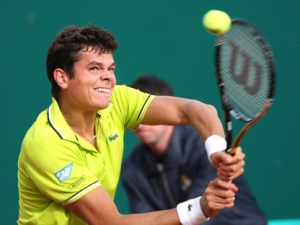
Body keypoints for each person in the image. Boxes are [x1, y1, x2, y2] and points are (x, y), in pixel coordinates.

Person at [17, 24, 245, 225]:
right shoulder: (46, 145)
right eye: (95, 68)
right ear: (62, 78)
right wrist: (199, 209)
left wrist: (216, 152)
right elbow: (111, 222)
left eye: (111, 69)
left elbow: (197, 110)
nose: (108, 77)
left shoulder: (116, 100)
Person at [122, 75, 267, 225]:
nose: (140, 122)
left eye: (148, 113)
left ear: (166, 113)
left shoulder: (204, 149)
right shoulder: (131, 169)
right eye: (135, 113)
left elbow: (202, 218)